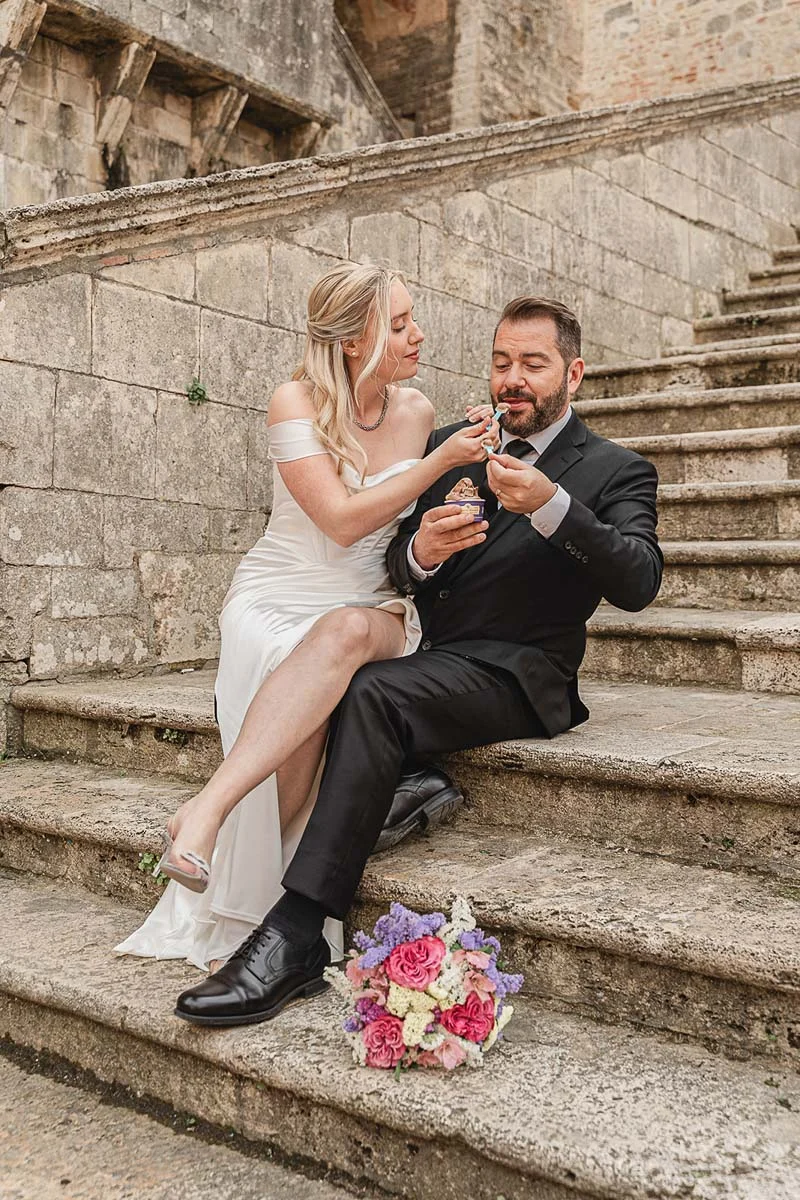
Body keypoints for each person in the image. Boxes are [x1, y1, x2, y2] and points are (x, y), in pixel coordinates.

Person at [172, 293, 664, 1027]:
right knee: (353, 676)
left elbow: (638, 579)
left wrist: (553, 505)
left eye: (533, 364)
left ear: (575, 373)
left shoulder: (615, 470)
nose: (513, 379)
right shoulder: (453, 443)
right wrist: (423, 555)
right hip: (433, 656)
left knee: (370, 693)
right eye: (502, 362)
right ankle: (397, 784)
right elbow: (392, 566)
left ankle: (297, 932)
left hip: (518, 673)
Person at [114, 262, 499, 970]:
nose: (421, 334)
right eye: (402, 322)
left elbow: (399, 526)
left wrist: (460, 483)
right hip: (277, 590)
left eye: (414, 319)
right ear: (354, 339)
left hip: (369, 603)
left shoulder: (414, 413)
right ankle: (255, 881)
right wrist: (442, 456)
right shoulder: (293, 401)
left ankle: (207, 815)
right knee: (285, 662)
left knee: (344, 634)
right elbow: (342, 519)